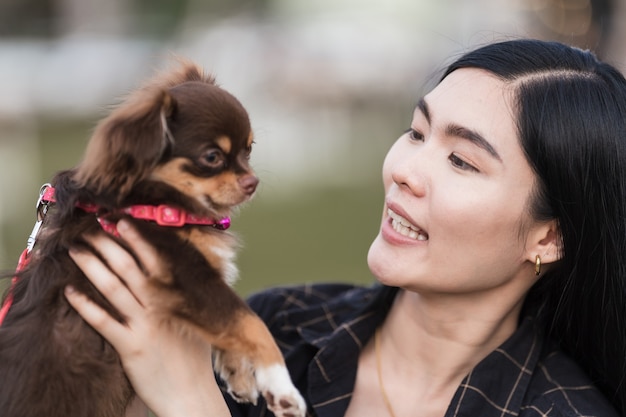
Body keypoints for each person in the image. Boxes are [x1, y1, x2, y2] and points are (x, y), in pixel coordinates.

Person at [64, 38, 626, 417]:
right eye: (415, 132)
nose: (404, 170)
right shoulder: (279, 326)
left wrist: (193, 401)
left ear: (549, 236)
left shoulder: (562, 408)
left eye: (462, 161)